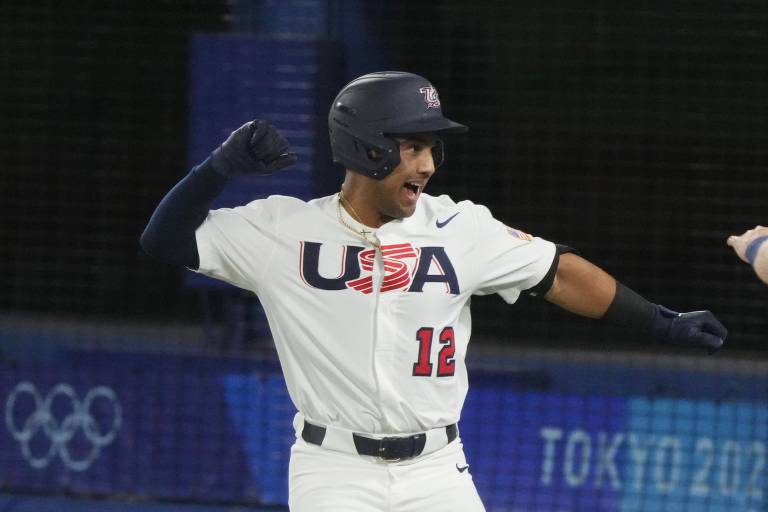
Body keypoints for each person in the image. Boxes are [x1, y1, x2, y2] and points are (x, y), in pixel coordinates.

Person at [140, 71, 728, 512]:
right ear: (366, 146)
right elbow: (163, 241)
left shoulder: (460, 227)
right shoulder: (283, 231)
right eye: (412, 146)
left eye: (431, 148)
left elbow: (558, 272)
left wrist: (661, 321)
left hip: (438, 473)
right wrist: (217, 169)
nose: (427, 163)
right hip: (332, 471)